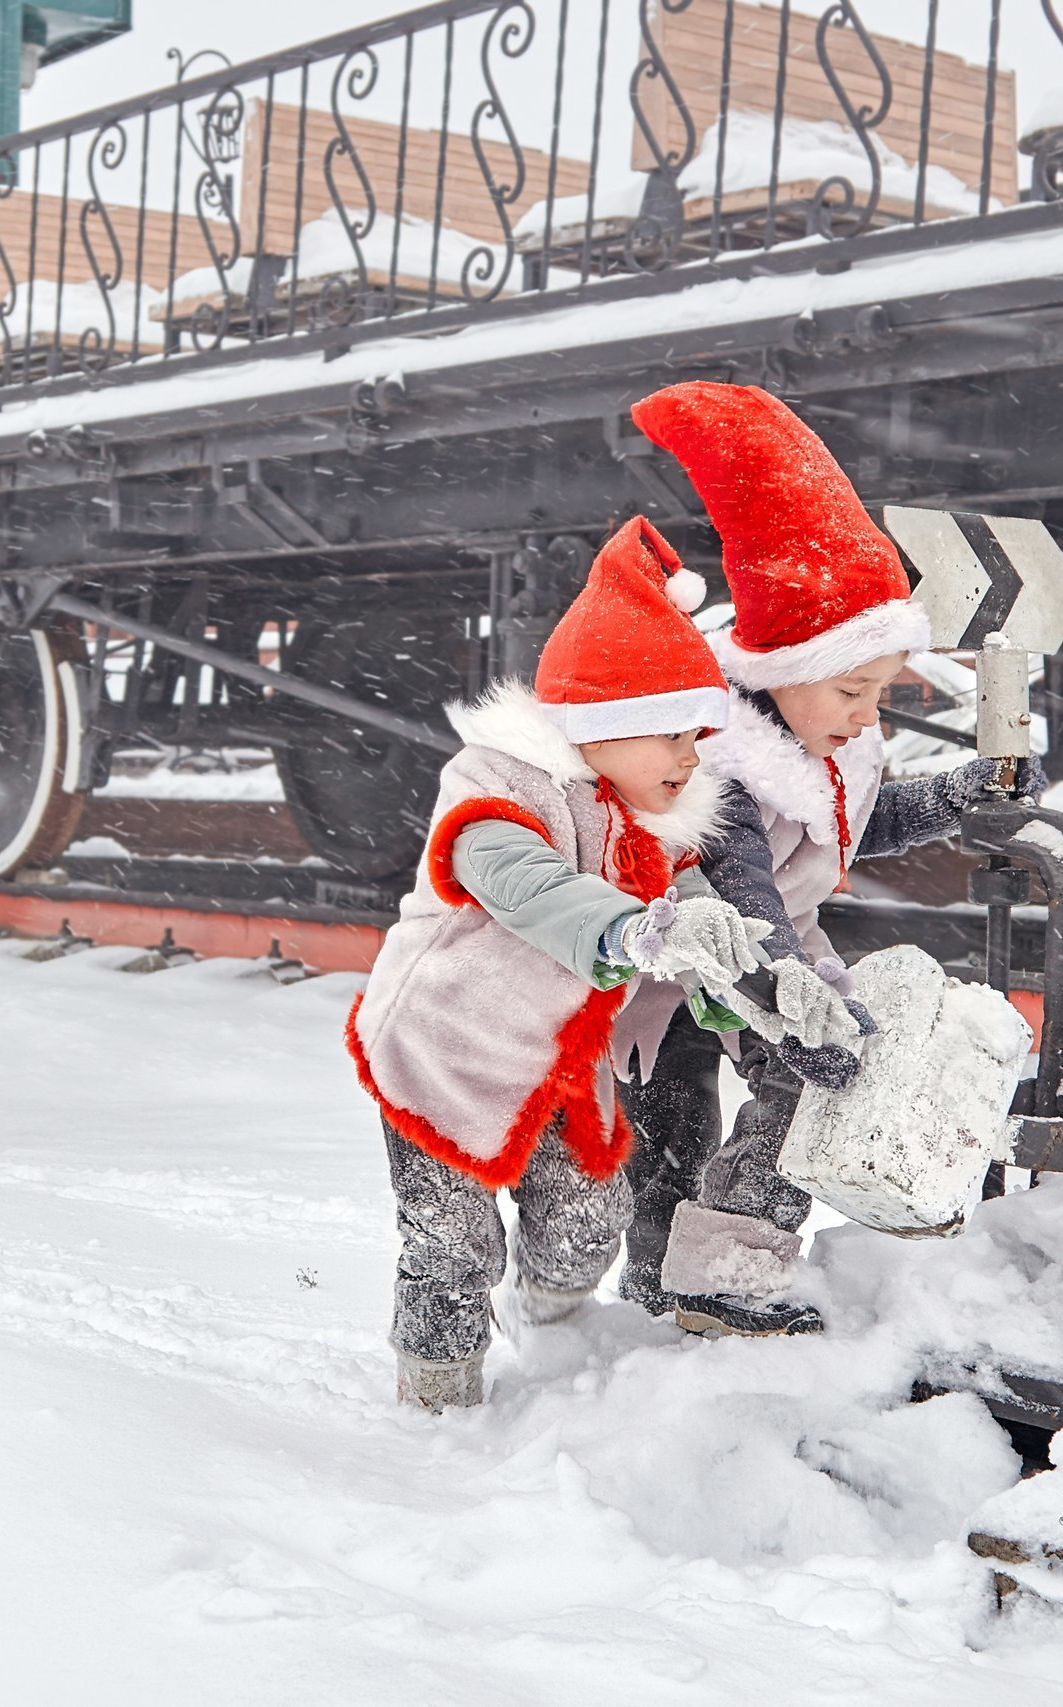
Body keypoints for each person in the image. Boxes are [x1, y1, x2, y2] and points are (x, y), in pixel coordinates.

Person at [613, 381, 1046, 1336]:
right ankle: (681, 1292)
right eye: (853, 688)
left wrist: (954, 795)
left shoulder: (827, 744)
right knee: (685, 1122)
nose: (868, 713)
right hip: (681, 958)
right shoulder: (720, 769)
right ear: (787, 670)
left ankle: (706, 1278)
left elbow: (856, 827)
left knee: (784, 1085)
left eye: (881, 691)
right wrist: (794, 1002)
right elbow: (745, 898)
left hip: (765, 952)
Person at [347, 514, 785, 1411]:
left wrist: (728, 974)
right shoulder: (494, 787)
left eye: (696, 737)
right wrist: (633, 931)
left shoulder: (648, 818)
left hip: (559, 1058)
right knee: (452, 1243)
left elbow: (688, 908)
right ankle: (436, 1396)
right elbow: (526, 883)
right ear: (599, 724)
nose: (689, 757)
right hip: (444, 1047)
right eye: (670, 734)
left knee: (590, 1220)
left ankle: (551, 1343)